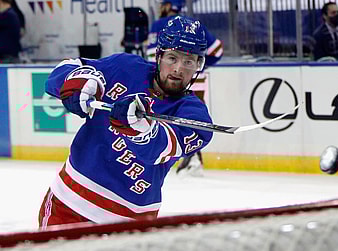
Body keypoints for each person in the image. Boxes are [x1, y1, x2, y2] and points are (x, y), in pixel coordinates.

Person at [38, 16, 213, 228]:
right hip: (69, 205)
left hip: (129, 224)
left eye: (188, 61)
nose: (178, 69)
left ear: (198, 65)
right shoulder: (124, 67)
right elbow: (60, 73)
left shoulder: (195, 116)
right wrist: (80, 80)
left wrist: (141, 129)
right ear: (159, 56)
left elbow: (158, 149)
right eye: (172, 58)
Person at [147, 0, 223, 177]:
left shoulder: (158, 25)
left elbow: (152, 58)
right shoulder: (191, 26)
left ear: (168, 6)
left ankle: (191, 160)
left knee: (178, 120)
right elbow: (217, 50)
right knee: (190, 120)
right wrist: (196, 67)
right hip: (191, 79)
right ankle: (192, 160)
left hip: (162, 81)